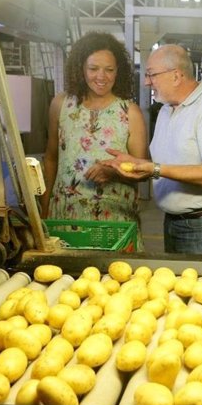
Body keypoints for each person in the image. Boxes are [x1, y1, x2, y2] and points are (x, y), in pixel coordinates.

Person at [108, 44, 202, 255]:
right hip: (174, 221)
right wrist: (136, 164)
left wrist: (155, 169)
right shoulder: (166, 110)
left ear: (177, 76)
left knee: (199, 286)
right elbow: (163, 161)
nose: (146, 82)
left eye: (152, 75)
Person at [40, 31, 148, 250]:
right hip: (65, 218)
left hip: (113, 222)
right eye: (93, 69)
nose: (102, 77)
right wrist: (43, 211)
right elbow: (51, 159)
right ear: (81, 68)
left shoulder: (130, 113)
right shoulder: (61, 105)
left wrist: (113, 171)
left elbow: (142, 172)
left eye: (109, 70)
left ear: (119, 71)